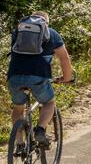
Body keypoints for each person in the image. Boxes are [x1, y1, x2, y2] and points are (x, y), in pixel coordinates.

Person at [7, 11, 73, 146]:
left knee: (18, 108)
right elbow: (64, 58)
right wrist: (66, 77)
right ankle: (40, 130)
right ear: (45, 23)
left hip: (14, 75)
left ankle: (19, 144)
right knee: (49, 102)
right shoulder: (51, 33)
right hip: (38, 76)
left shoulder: (18, 32)